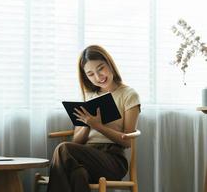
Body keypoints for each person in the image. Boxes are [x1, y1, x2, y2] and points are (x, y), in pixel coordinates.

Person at [47, 45, 141, 192]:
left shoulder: (129, 95)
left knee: (63, 148)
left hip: (113, 158)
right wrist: (87, 124)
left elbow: (127, 141)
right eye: (90, 74)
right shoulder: (88, 97)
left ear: (110, 64)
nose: (98, 77)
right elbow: (77, 142)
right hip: (85, 155)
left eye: (100, 68)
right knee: (77, 174)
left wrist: (97, 125)